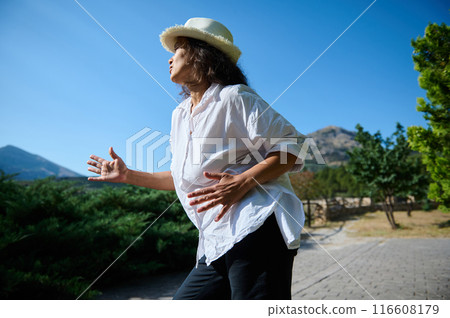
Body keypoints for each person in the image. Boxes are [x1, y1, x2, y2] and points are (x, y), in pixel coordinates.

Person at [87, 17, 305, 300]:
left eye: (178, 49)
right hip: (215, 241)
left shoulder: (235, 97)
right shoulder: (179, 115)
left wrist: (243, 180)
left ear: (201, 55)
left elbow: (294, 148)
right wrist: (128, 175)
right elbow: (181, 178)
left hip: (256, 227)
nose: (169, 59)